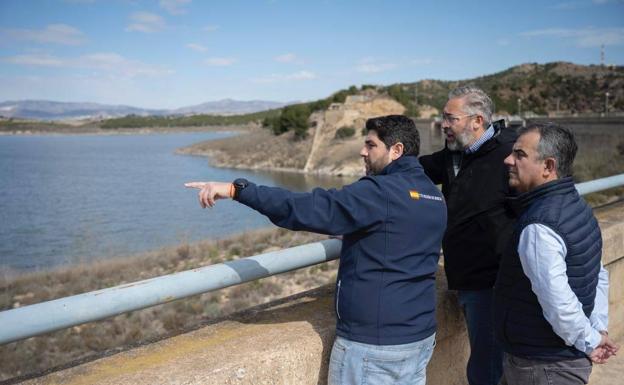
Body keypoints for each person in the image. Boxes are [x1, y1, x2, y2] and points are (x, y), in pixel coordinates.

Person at [185, 115, 447, 385]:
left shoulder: (380, 192)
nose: (362, 151)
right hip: (419, 339)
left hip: (374, 348)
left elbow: (307, 207)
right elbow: (397, 234)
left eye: (370, 145)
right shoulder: (433, 195)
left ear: (397, 150)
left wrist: (237, 190)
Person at [495, 123, 619, 385]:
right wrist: (597, 328)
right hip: (556, 360)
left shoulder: (540, 226)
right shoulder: (578, 207)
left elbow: (559, 303)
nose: (508, 160)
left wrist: (592, 339)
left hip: (543, 365)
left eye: (520, 154)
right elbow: (596, 275)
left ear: (548, 167)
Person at [419, 86, 516, 385]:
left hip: (494, 281)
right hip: (467, 279)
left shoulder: (508, 156)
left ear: (476, 121)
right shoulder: (452, 157)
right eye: (442, 118)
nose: (443, 125)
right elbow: (410, 172)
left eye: (450, 118)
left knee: (487, 368)